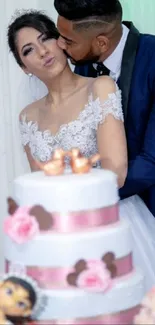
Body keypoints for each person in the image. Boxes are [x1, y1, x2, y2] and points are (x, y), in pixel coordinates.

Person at [7, 10, 155, 292]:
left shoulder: (101, 86)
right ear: (24, 66)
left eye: (46, 39)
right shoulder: (27, 117)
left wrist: (70, 204)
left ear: (62, 41)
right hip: (60, 232)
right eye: (28, 50)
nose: (42, 52)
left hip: (114, 217)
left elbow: (116, 171)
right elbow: (40, 186)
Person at [54, 0, 155, 218]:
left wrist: (86, 196)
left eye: (68, 40)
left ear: (101, 43)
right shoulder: (82, 65)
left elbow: (152, 161)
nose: (60, 45)